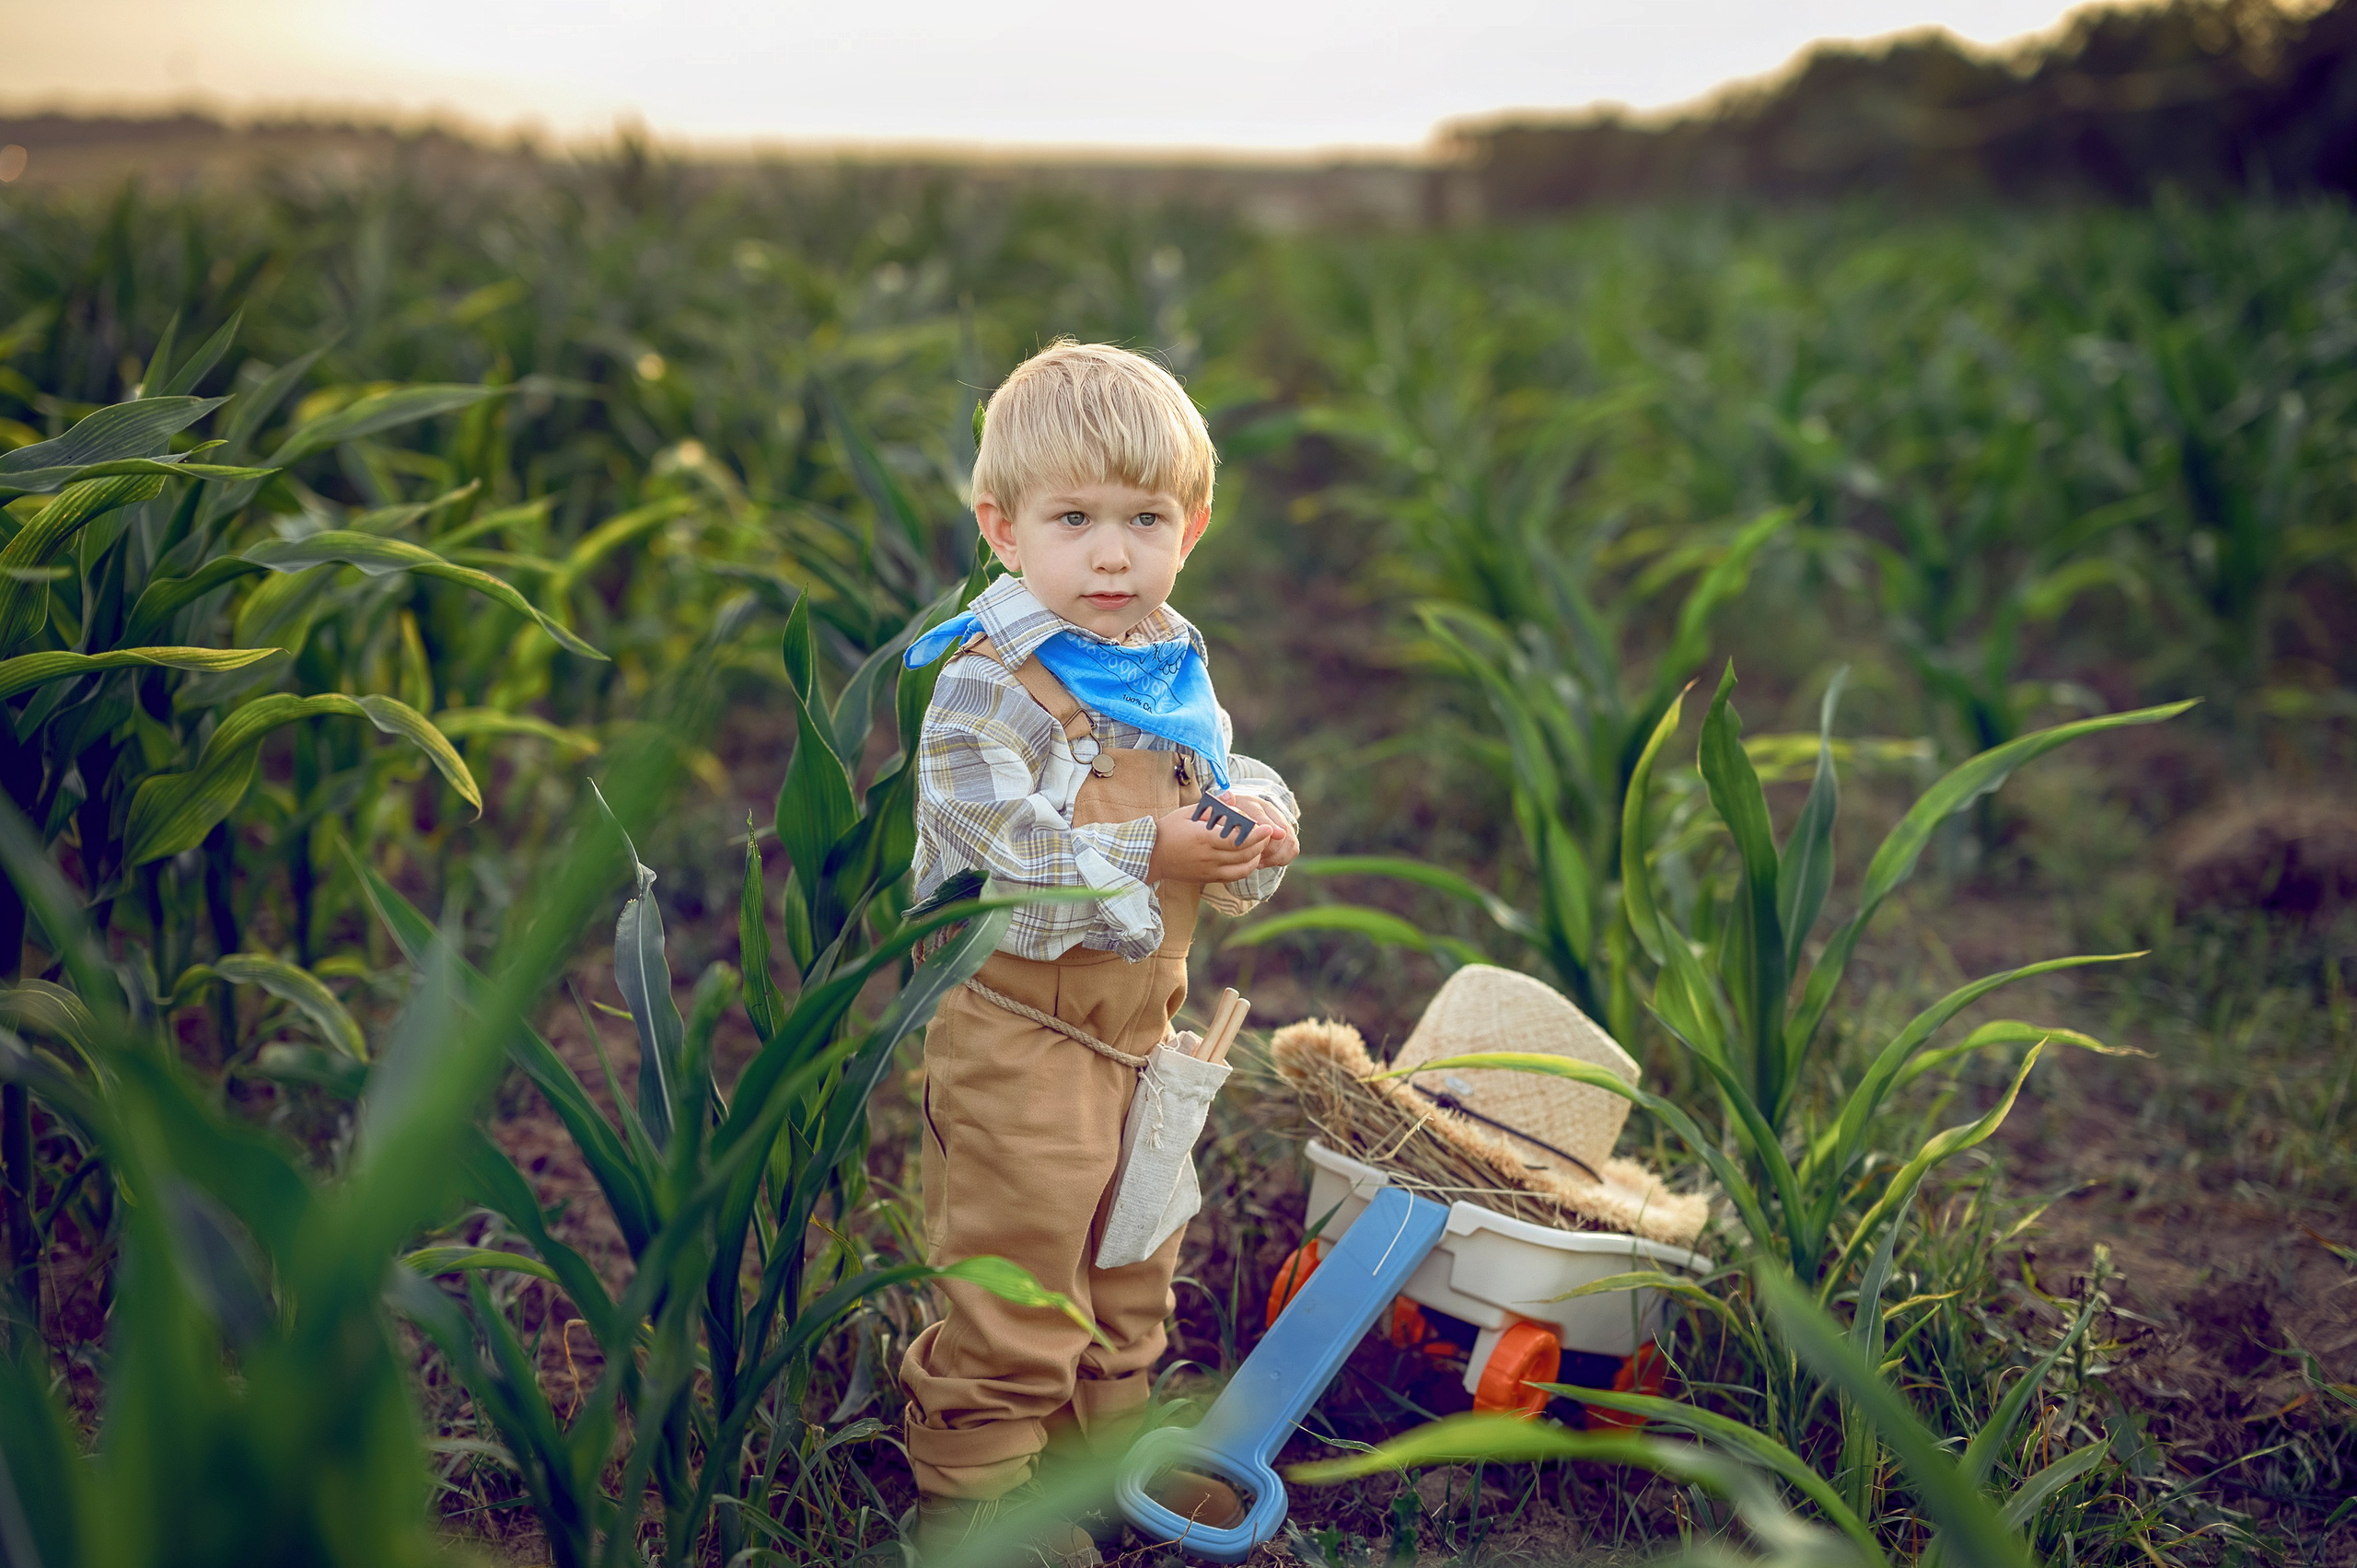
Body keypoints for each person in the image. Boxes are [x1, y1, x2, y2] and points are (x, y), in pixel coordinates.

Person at [896, 341, 1300, 1563]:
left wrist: (1251, 823)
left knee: (1132, 1255)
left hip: (1138, 1029)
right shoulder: (989, 686)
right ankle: (976, 1500)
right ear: (1003, 529)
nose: (1113, 555)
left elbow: (1218, 776)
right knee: (1018, 1267)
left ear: (1194, 527)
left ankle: (1092, 1462)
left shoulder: (1168, 667)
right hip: (1019, 1033)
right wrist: (1156, 847)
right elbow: (1002, 863)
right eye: (1074, 520)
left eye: (1145, 519)